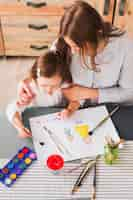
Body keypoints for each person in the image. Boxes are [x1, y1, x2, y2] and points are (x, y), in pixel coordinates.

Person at [12, 1, 133, 139]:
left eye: (77, 47)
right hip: (71, 111)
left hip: (111, 110)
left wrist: (89, 93)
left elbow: (129, 94)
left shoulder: (125, 47)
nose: (73, 52)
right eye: (70, 46)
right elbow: (48, 67)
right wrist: (27, 80)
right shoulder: (65, 44)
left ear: (97, 34)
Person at [6, 51, 81, 138]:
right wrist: (19, 127)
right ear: (36, 79)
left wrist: (70, 109)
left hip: (62, 121)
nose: (49, 90)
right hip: (41, 121)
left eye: (55, 86)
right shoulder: (30, 89)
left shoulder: (66, 84)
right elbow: (12, 108)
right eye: (44, 85)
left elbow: (77, 99)